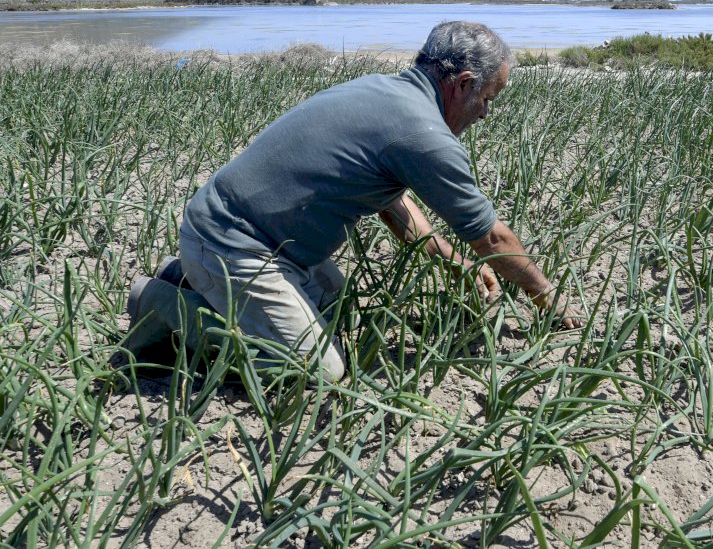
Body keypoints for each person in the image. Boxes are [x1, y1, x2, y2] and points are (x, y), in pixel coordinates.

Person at [125, 21, 582, 380]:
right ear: (461, 83)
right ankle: (159, 302)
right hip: (233, 241)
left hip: (264, 241)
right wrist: (548, 298)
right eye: (486, 98)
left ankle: (185, 273)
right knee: (315, 369)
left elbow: (393, 205)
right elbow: (494, 238)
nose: (486, 113)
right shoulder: (422, 132)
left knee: (336, 307)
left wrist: (449, 261)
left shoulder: (387, 92)